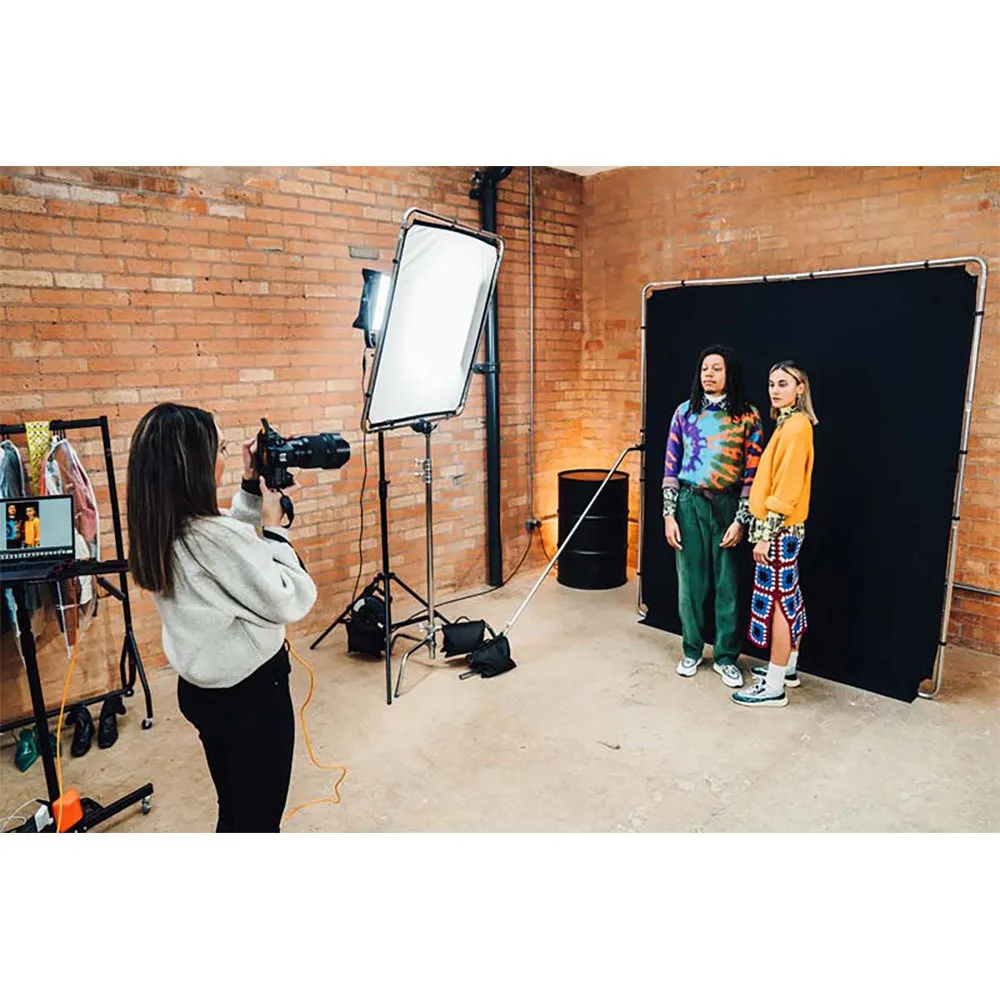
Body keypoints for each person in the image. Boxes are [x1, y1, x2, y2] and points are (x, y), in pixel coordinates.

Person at [126, 403, 317, 831]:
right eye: (222, 449)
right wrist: (276, 530)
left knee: (234, 805)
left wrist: (250, 486)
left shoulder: (161, 527)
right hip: (251, 697)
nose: (227, 458)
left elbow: (233, 560)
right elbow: (291, 598)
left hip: (203, 694)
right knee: (259, 823)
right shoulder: (214, 539)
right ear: (193, 465)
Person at [663, 345, 763, 688]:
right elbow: (670, 466)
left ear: (729, 373)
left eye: (716, 368)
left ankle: (725, 657)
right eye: (705, 368)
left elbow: (753, 472)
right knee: (690, 583)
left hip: (728, 505)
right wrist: (669, 515)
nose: (709, 374)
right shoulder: (684, 412)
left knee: (728, 585)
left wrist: (741, 519)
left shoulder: (747, 416)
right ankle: (691, 650)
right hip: (689, 503)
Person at [733, 360, 818, 708]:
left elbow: (786, 489)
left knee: (780, 603)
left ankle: (774, 686)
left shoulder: (796, 427)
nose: (775, 390)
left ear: (800, 389)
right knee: (790, 597)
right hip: (785, 528)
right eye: (771, 384)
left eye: (783, 384)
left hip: (779, 529)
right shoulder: (790, 423)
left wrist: (766, 535)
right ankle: (788, 669)